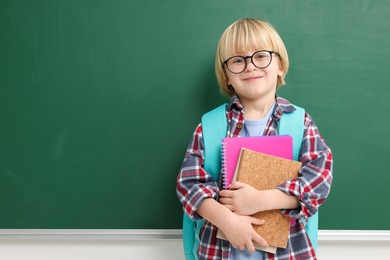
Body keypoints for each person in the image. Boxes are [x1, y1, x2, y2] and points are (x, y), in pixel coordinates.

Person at [176, 18, 333, 259]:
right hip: (220, 252)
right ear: (227, 75)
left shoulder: (300, 122)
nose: (250, 66)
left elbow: (319, 179)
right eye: (238, 60)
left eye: (261, 56)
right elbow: (189, 186)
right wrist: (227, 220)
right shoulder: (209, 126)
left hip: (288, 252)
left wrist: (260, 200)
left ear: (280, 66)